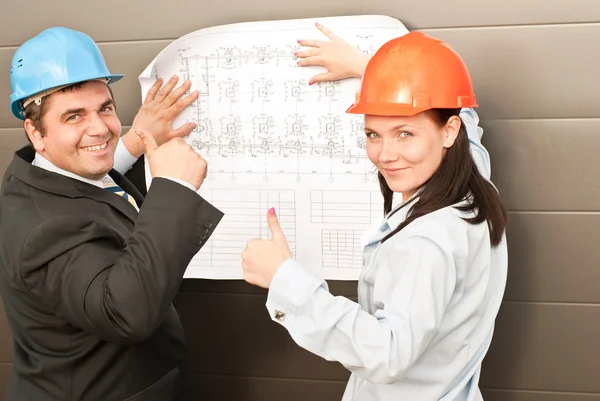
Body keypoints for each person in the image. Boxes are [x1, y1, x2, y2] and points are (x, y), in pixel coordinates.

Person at [241, 30, 508, 401]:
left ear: (448, 132)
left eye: (404, 133)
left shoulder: (426, 240)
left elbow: (388, 352)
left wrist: (283, 279)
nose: (385, 154)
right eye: (372, 134)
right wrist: (379, 71)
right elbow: (463, 114)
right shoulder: (473, 186)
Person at [0, 27, 224, 401]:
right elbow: (126, 314)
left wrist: (134, 141)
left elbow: (82, 188)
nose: (101, 127)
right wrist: (174, 188)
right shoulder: (44, 232)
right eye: (74, 117)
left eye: (104, 108)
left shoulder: (36, 172)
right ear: (35, 132)